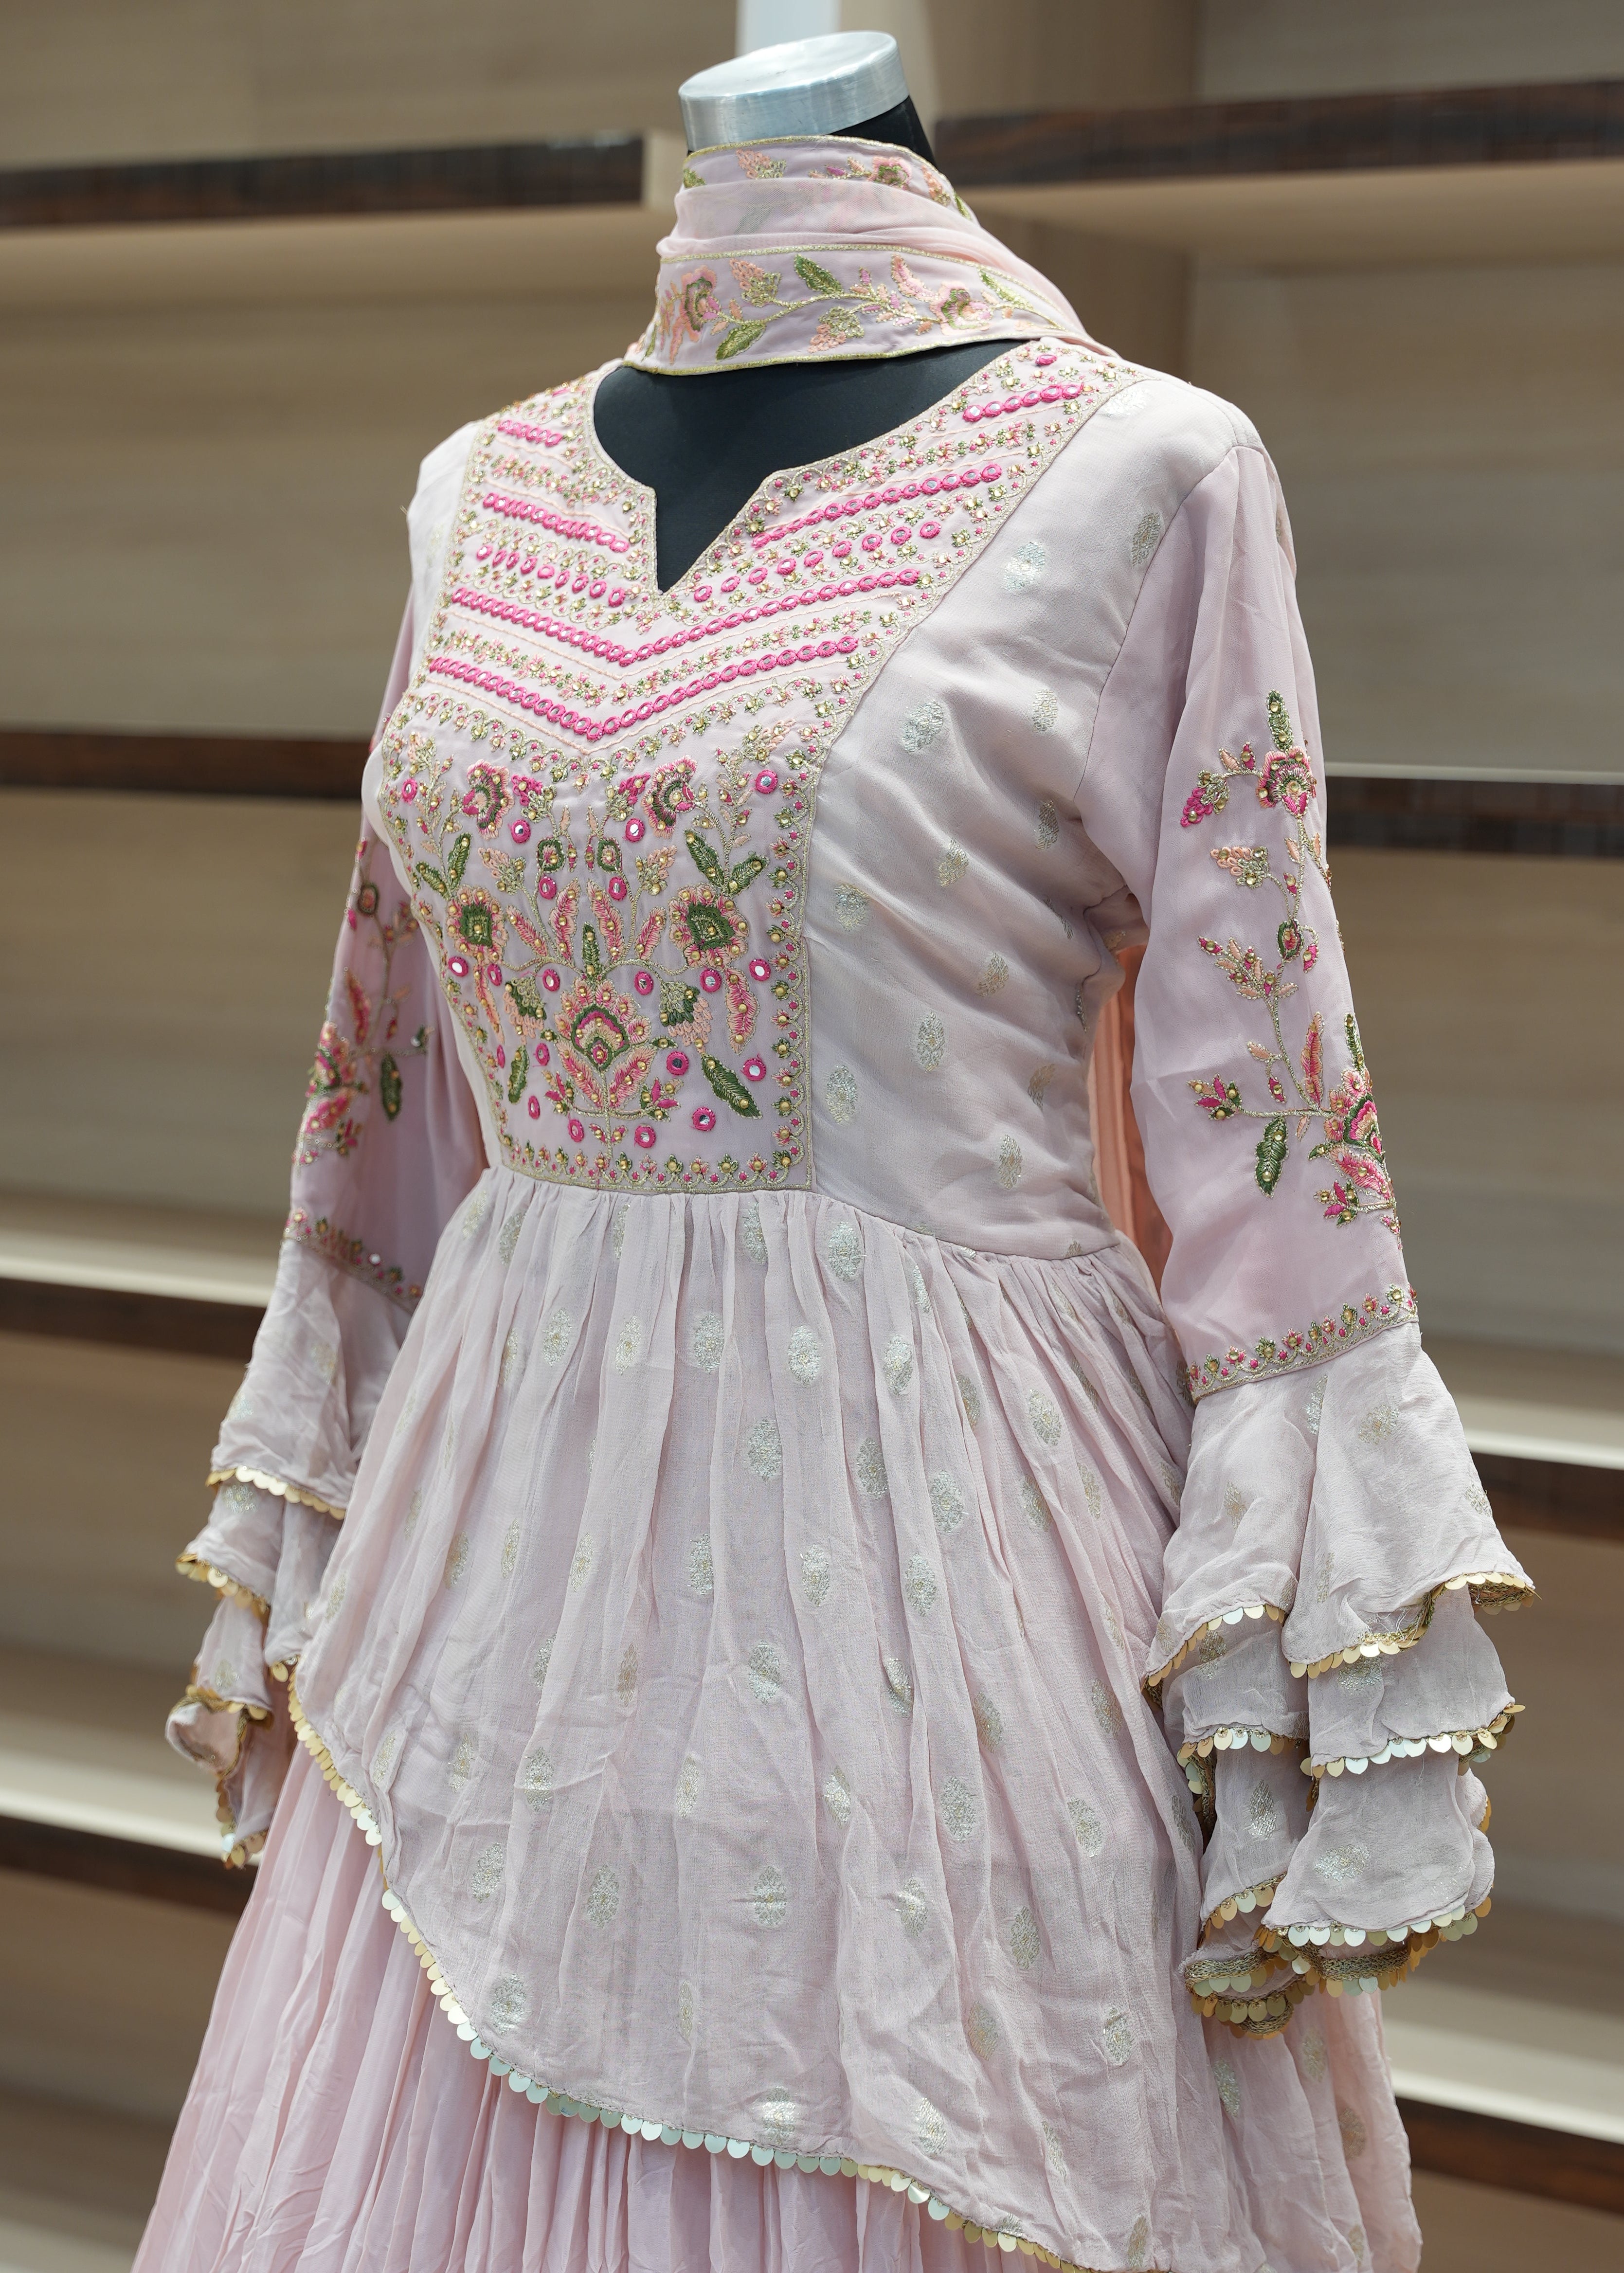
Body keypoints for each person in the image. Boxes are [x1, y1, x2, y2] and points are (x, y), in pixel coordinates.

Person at [138, 35, 1529, 2273]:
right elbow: (378, 1085)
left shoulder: (1149, 474)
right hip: (494, 1549)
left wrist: (1301, 1590)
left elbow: (1267, 1095)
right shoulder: (472, 491)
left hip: (942, 1543)